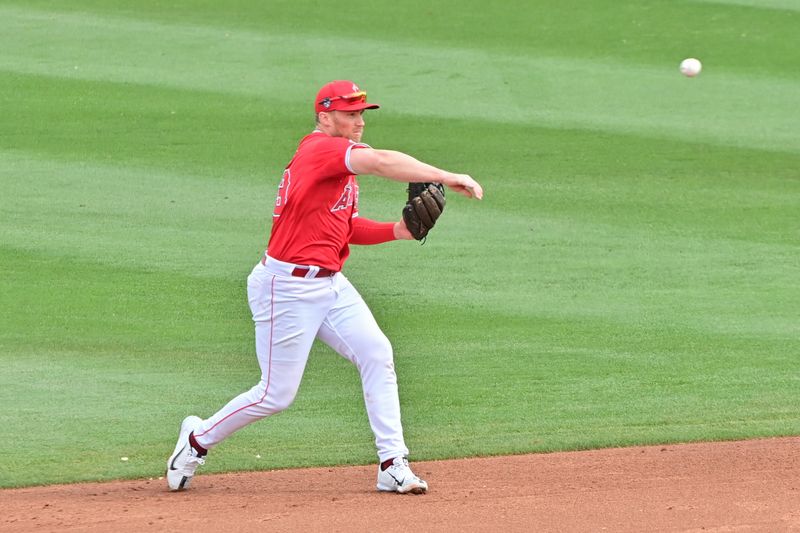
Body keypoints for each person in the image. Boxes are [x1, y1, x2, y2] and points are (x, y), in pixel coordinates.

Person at [166, 80, 483, 494]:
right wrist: (446, 175)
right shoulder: (321, 150)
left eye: (361, 113)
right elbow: (383, 163)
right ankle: (195, 441)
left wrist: (399, 230)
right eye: (349, 114)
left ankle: (393, 463)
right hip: (287, 287)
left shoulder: (339, 164)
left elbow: (343, 226)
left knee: (377, 354)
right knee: (274, 394)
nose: (358, 121)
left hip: (331, 284)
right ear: (324, 116)